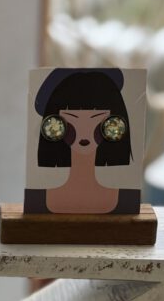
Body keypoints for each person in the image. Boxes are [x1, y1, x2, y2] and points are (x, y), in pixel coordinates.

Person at [24, 68, 140, 214]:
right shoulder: (37, 199)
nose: (84, 133)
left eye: (95, 120)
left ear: (112, 124)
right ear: (55, 125)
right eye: (72, 120)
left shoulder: (127, 199)